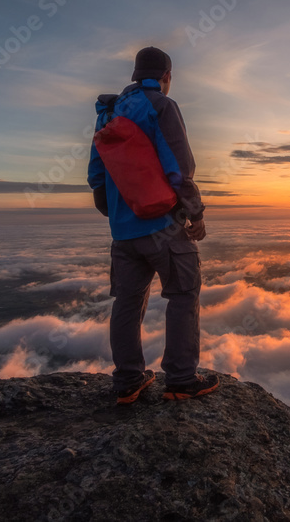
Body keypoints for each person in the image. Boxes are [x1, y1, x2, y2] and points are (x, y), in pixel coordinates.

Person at [87, 46, 218, 404]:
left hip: (124, 234)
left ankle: (128, 380)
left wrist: (116, 214)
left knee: (127, 302)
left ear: (134, 73)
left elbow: (96, 175)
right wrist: (196, 212)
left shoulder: (109, 113)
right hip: (164, 227)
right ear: (167, 76)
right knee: (183, 295)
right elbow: (180, 168)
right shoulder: (161, 105)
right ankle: (180, 379)